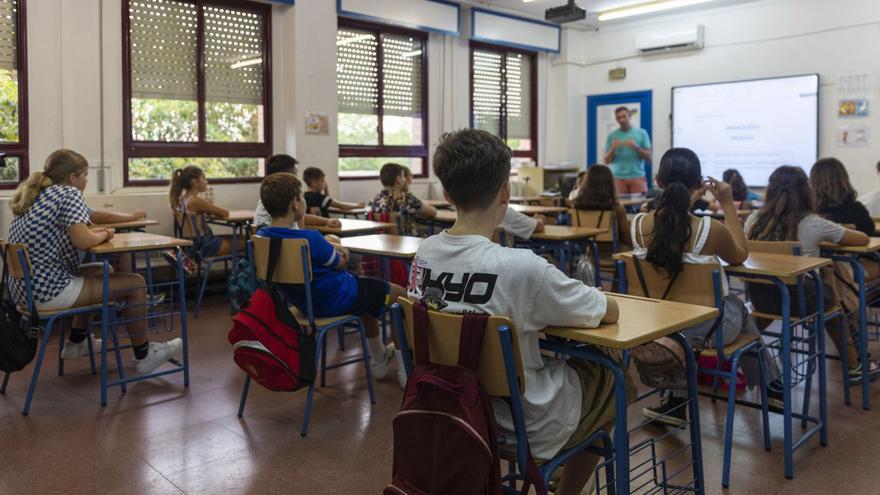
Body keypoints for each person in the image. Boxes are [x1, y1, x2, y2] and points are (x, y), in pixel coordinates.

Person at [408, 128, 632, 495]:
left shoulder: (425, 253)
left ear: (447, 195)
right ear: (505, 193)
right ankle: (569, 487)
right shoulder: (524, 268)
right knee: (615, 377)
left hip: (448, 411)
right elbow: (607, 311)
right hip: (523, 423)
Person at [627, 148, 781, 425]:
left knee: (691, 321)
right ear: (698, 184)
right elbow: (740, 255)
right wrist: (728, 203)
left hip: (656, 326)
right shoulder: (710, 230)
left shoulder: (636, 225)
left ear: (658, 181)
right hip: (707, 332)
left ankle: (676, 401)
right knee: (737, 307)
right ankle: (772, 386)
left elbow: (671, 223)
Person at [9, 149, 181, 373]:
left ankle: (76, 342)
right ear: (73, 178)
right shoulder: (68, 193)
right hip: (49, 292)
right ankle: (144, 355)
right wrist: (106, 234)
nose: (86, 181)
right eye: (85, 176)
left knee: (103, 270)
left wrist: (95, 232)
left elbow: (75, 231)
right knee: (136, 283)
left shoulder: (35, 196)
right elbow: (82, 240)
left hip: (24, 293)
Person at [255, 173, 406, 383]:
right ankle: (405, 371)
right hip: (338, 298)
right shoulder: (311, 239)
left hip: (305, 305)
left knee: (370, 302)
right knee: (401, 297)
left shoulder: (262, 237)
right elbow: (341, 262)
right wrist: (339, 248)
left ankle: (379, 360)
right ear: (295, 205)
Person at [745, 165, 879, 383]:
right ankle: (856, 366)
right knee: (833, 306)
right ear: (806, 191)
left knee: (773, 306)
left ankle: (748, 358)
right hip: (800, 302)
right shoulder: (813, 223)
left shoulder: (753, 220)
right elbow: (862, 239)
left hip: (760, 298)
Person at [168, 165, 246, 258]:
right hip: (205, 245)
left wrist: (207, 209)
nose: (207, 182)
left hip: (192, 245)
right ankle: (250, 271)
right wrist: (209, 206)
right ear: (195, 182)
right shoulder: (195, 201)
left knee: (241, 237)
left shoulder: (183, 199)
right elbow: (225, 213)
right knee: (248, 241)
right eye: (204, 178)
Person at [252, 154, 342, 230]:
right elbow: (300, 229)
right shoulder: (287, 198)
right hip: (292, 247)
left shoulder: (268, 197)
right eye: (295, 174)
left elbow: (300, 216)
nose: (297, 178)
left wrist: (326, 221)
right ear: (287, 178)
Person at [810, 158, 875, 235]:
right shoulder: (856, 209)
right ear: (843, 180)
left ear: (813, 182)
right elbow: (869, 231)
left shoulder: (808, 212)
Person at [573, 164, 632, 247]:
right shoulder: (617, 208)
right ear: (610, 184)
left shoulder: (575, 207)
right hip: (612, 253)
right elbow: (628, 239)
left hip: (588, 252)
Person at [369, 163, 437, 236]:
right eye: (403, 176)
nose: (405, 179)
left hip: (383, 242)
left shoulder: (375, 199)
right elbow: (432, 213)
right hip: (407, 242)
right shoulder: (405, 198)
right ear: (398, 179)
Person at [603, 106, 652, 194]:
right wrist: (613, 149)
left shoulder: (642, 133)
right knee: (619, 207)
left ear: (629, 116)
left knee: (640, 206)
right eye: (618, 117)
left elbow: (648, 157)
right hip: (618, 178)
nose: (621, 120)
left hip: (637, 176)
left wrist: (636, 147)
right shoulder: (612, 136)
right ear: (616, 119)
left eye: (624, 116)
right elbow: (606, 160)